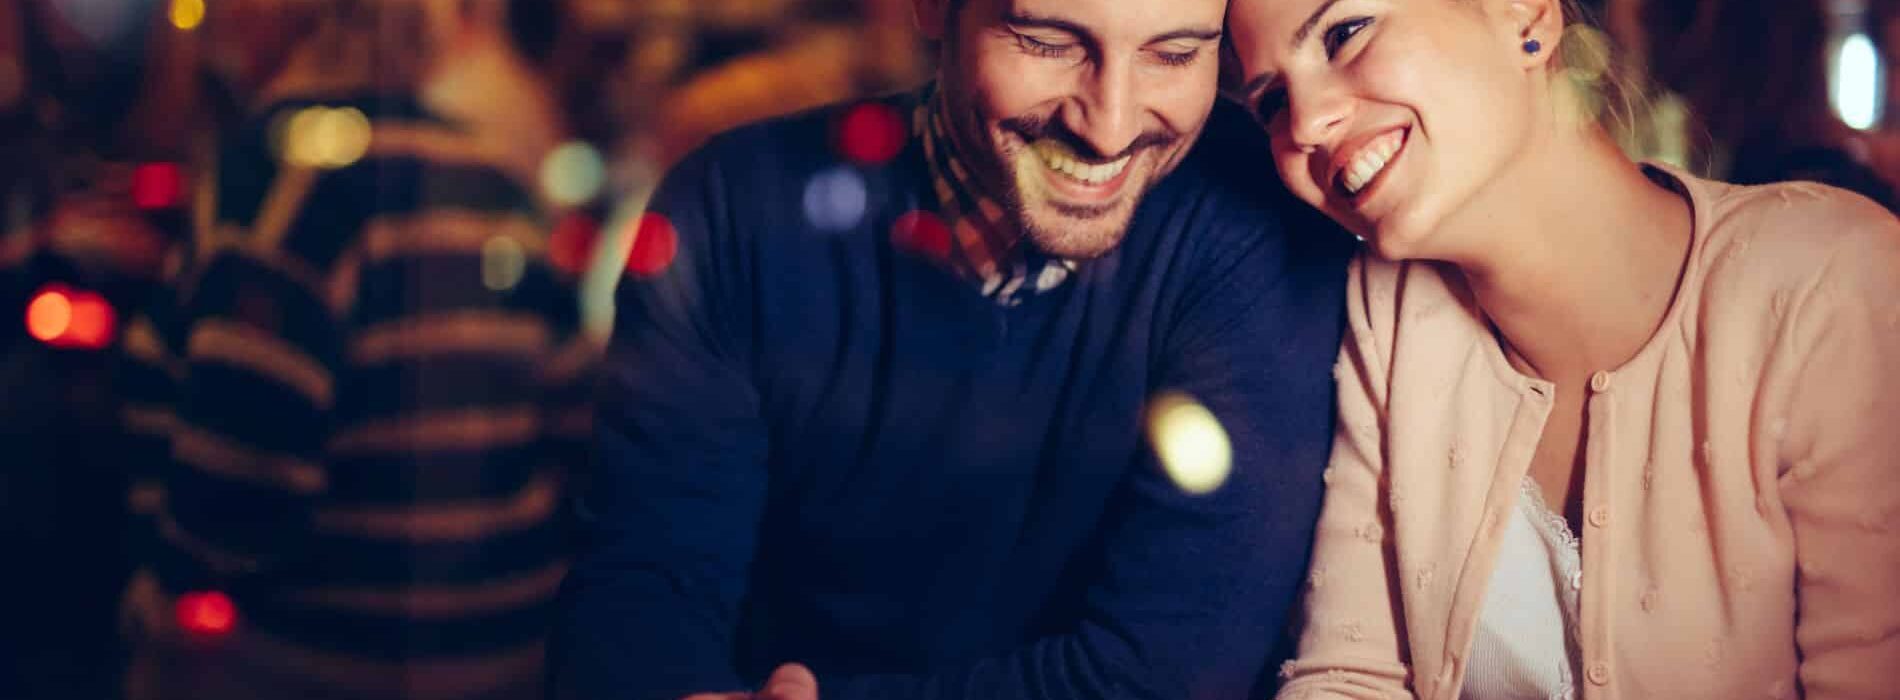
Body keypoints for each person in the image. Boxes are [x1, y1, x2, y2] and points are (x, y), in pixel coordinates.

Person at [551, 0, 1356, 697]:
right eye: (1046, 40)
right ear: (934, 7)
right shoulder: (730, 208)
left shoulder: (1260, 224)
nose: (1109, 124)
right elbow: (639, 589)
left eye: (1175, 53)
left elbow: (1167, 676)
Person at [1224, 0, 1900, 696]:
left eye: (1346, 32)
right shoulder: (1388, 307)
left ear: (1526, 15)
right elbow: (1350, 674)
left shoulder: (1832, 283)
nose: (1304, 123)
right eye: (1273, 100)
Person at [119, 1, 594, 698]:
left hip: (323, 661)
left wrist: (166, 591)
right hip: (507, 655)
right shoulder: (495, 179)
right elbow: (577, 423)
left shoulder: (282, 175)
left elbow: (240, 484)